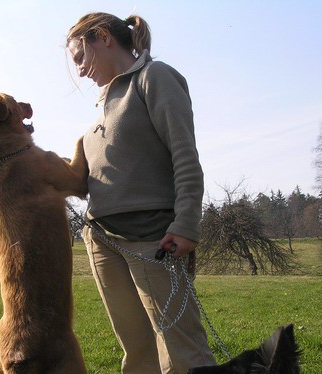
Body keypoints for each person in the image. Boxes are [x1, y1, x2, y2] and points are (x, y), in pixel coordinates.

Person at [66, 12, 217, 374]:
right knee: (137, 352)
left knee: (182, 350)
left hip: (153, 238)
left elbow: (185, 155)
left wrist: (186, 225)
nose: (80, 70)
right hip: (101, 240)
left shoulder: (154, 77)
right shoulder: (101, 106)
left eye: (80, 57)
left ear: (102, 37)